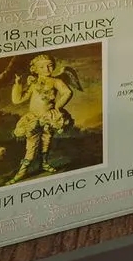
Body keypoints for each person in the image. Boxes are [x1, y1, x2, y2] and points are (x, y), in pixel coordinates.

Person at [7, 53, 80, 184]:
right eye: (42, 67)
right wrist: (17, 84)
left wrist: (57, 107)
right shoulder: (34, 83)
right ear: (35, 69)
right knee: (31, 145)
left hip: (48, 117)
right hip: (33, 119)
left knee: (47, 140)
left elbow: (68, 92)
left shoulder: (56, 81)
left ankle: (44, 163)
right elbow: (18, 100)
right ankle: (22, 172)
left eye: (50, 66)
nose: (47, 69)